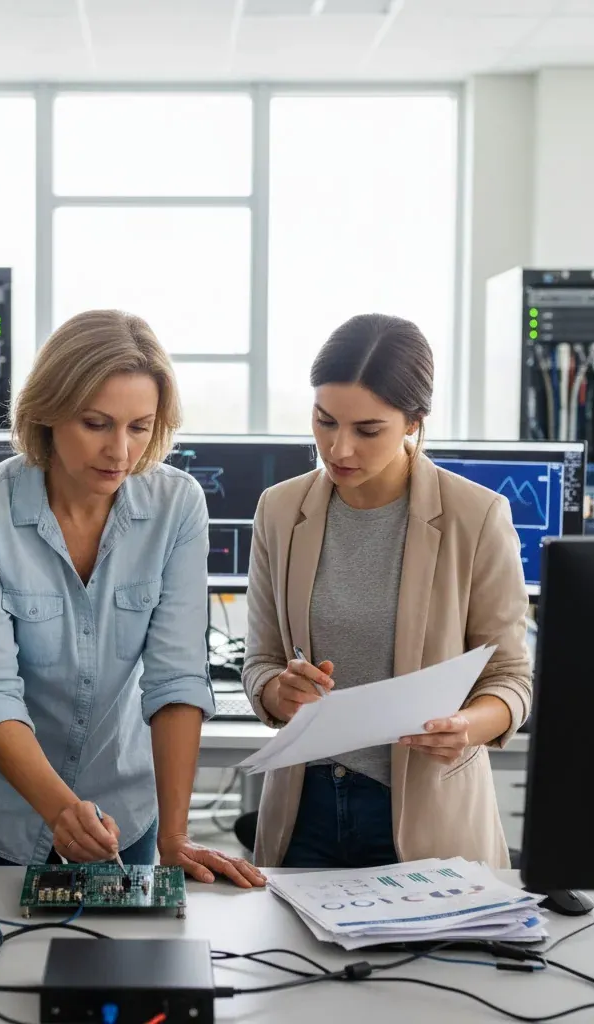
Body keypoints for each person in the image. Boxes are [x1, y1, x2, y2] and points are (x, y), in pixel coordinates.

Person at [0, 310, 265, 888]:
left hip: (120, 798)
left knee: (120, 966)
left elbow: (176, 678)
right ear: (48, 412)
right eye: (96, 423)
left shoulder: (177, 506)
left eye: (140, 426)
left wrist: (175, 834)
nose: (120, 450)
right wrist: (59, 810)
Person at [243, 313, 532, 870]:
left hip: (427, 813)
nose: (339, 448)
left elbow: (511, 679)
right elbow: (260, 663)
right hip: (304, 812)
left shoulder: (477, 516)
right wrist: (280, 693)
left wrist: (467, 727)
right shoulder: (279, 511)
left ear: (412, 422)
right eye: (324, 421)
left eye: (367, 430)